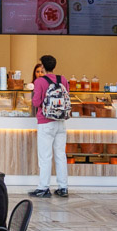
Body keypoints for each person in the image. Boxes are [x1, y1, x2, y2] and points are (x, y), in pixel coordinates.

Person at [30, 54, 72, 199]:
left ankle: (43, 188)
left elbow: (36, 103)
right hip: (61, 122)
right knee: (60, 155)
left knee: (45, 157)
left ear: (43, 66)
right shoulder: (63, 79)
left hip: (45, 122)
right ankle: (63, 187)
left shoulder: (40, 81)